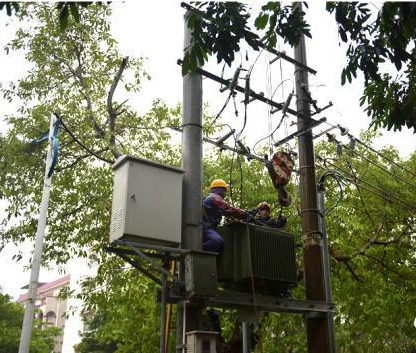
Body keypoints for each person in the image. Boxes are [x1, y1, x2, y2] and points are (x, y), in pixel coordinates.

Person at [202, 179, 251, 252]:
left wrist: (246, 212)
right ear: (220, 190)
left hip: (207, 226)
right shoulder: (214, 197)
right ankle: (200, 252)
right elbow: (228, 208)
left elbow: (228, 212)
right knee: (216, 241)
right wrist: (244, 214)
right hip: (205, 226)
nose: (225, 193)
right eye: (224, 191)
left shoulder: (209, 199)